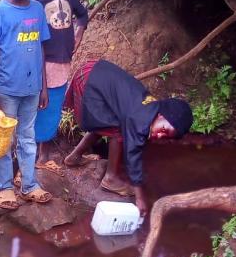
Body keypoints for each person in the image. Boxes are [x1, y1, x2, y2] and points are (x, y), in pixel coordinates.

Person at [64, 59, 193, 216]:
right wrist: (140, 198)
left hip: (93, 73)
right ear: (160, 115)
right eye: (164, 129)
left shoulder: (150, 105)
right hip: (89, 82)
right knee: (118, 131)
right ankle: (110, 179)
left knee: (109, 122)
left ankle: (74, 157)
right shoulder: (139, 116)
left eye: (166, 136)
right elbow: (133, 152)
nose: (160, 135)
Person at [0, 0, 53, 210]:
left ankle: (29, 184)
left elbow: (41, 49)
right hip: (7, 91)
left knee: (27, 137)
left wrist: (44, 86)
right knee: (4, 140)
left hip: (32, 90)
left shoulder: (37, 9)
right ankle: (3, 187)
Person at [30, 0, 88, 174]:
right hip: (42, 62)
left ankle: (43, 155)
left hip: (63, 62)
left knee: (52, 106)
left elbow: (83, 15)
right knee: (39, 105)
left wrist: (78, 34)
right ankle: (32, 154)